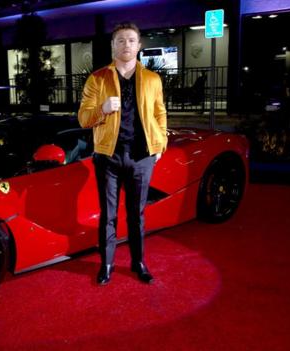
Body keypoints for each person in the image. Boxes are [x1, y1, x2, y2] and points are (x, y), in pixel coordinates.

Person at [78, 22, 168, 285]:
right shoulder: (98, 78)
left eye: (131, 40)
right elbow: (83, 118)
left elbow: (160, 113)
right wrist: (102, 109)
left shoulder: (152, 79)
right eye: (120, 40)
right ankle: (106, 264)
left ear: (139, 46)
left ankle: (139, 262)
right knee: (109, 214)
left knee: (136, 214)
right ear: (113, 46)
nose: (125, 44)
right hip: (108, 157)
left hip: (142, 157)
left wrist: (160, 144)